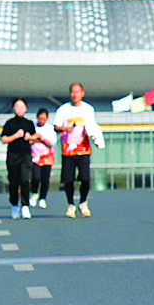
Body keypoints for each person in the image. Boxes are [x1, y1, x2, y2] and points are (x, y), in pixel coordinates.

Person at [55, 82, 99, 215]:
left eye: (78, 92)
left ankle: (83, 202)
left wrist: (97, 139)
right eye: (73, 92)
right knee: (68, 180)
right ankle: (70, 205)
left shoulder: (88, 109)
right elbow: (56, 126)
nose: (75, 95)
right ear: (70, 94)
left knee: (85, 178)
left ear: (82, 93)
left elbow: (93, 126)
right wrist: (64, 128)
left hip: (84, 149)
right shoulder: (63, 109)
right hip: (68, 150)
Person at [0, 99, 35, 218]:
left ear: (26, 109)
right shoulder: (9, 123)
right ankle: (14, 205)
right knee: (13, 182)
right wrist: (16, 136)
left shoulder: (29, 123)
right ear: (13, 108)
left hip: (25, 154)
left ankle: (25, 206)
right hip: (13, 155)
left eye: (22, 106)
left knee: (25, 180)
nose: (19, 109)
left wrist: (30, 137)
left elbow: (35, 137)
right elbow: (4, 139)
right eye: (17, 106)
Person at [30, 108, 57, 214]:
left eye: (44, 119)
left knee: (45, 179)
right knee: (35, 177)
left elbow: (52, 142)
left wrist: (41, 138)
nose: (41, 121)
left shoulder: (50, 128)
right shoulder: (32, 127)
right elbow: (29, 140)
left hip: (47, 157)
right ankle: (34, 193)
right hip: (34, 157)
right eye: (40, 118)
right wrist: (34, 138)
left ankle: (42, 198)